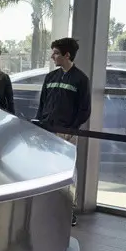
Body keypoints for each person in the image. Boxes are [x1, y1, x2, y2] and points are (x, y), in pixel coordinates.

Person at [34, 37, 91, 226]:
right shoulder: (50, 77)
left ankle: (68, 211)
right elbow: (42, 104)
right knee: (44, 169)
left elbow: (84, 110)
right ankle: (45, 207)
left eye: (56, 53)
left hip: (67, 134)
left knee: (67, 172)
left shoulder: (81, 79)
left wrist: (71, 129)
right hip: (46, 132)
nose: (52, 56)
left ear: (67, 55)